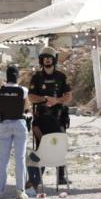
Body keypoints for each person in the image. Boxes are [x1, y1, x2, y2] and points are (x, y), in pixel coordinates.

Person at [28, 46, 72, 185]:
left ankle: (61, 177)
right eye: (44, 58)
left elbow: (68, 96)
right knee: (41, 147)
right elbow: (31, 97)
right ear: (41, 60)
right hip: (41, 120)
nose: (47, 60)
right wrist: (45, 99)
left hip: (58, 119)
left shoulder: (61, 77)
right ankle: (37, 178)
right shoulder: (36, 77)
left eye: (49, 58)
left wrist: (56, 100)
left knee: (59, 147)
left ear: (54, 60)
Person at [0, 65, 30, 199]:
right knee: (20, 158)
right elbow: (26, 107)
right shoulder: (23, 90)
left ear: (6, 76)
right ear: (17, 76)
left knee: (3, 159)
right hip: (19, 123)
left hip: (5, 124)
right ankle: (20, 190)